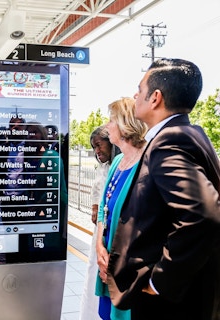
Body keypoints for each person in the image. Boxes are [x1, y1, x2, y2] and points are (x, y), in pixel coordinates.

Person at [107, 58, 220, 320]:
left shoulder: (169, 140)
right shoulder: (189, 132)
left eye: (140, 89)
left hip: (171, 303)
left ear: (155, 97)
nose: (135, 95)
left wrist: (160, 281)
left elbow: (204, 215)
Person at [95, 97, 148, 320]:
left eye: (111, 121)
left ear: (126, 124)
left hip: (127, 268)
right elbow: (103, 208)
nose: (107, 127)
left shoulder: (147, 161)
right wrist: (99, 246)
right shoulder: (118, 162)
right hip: (107, 260)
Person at [79, 125, 119, 320]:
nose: (97, 151)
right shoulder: (103, 167)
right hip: (100, 229)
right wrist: (95, 207)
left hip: (113, 230)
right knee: (95, 267)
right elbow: (97, 189)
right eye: (94, 147)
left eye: (99, 145)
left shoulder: (120, 164)